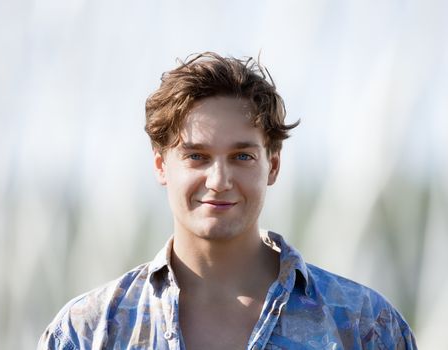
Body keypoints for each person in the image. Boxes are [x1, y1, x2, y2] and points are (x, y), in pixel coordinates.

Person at [38, 52, 417, 350]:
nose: (219, 181)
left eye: (242, 156)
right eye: (196, 156)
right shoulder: (86, 331)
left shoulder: (366, 326)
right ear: (161, 166)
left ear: (273, 166)